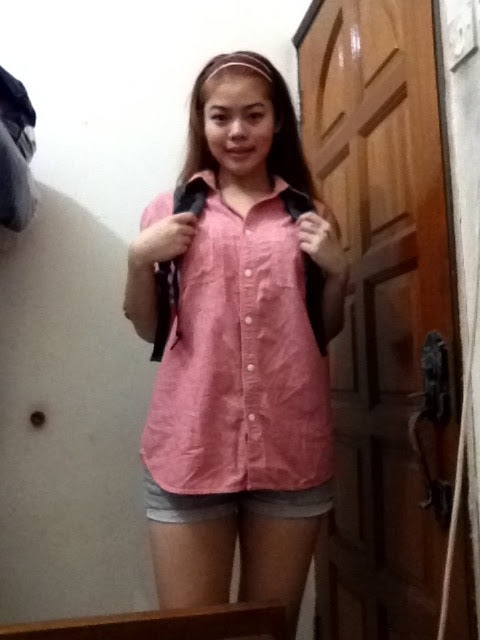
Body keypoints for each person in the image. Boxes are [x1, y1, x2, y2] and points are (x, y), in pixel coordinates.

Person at [124, 51, 348, 639]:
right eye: (220, 117)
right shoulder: (169, 213)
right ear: (201, 123)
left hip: (289, 447)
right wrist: (137, 259)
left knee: (267, 630)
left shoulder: (310, 215)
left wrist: (339, 273)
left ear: (278, 121)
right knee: (192, 633)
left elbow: (322, 332)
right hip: (190, 447)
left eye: (254, 114)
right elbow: (148, 328)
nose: (238, 131)